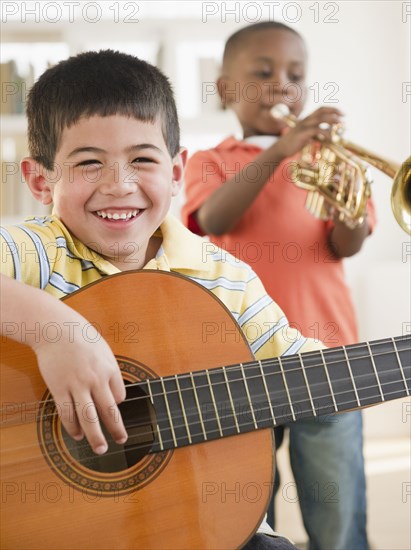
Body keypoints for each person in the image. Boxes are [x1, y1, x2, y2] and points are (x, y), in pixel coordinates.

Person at [0, 49, 331, 550]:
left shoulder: (224, 277)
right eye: (89, 163)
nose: (120, 185)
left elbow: (296, 365)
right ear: (41, 180)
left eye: (142, 159)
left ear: (177, 172)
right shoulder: (29, 253)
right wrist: (57, 331)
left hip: (192, 524)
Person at [182, 22, 376, 550]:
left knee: (339, 521)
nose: (281, 85)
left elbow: (347, 245)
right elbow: (214, 218)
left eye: (295, 76)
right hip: (238, 360)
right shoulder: (210, 161)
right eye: (263, 72)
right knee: (244, 521)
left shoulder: (326, 160)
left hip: (326, 355)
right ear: (225, 89)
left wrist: (346, 208)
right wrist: (280, 148)